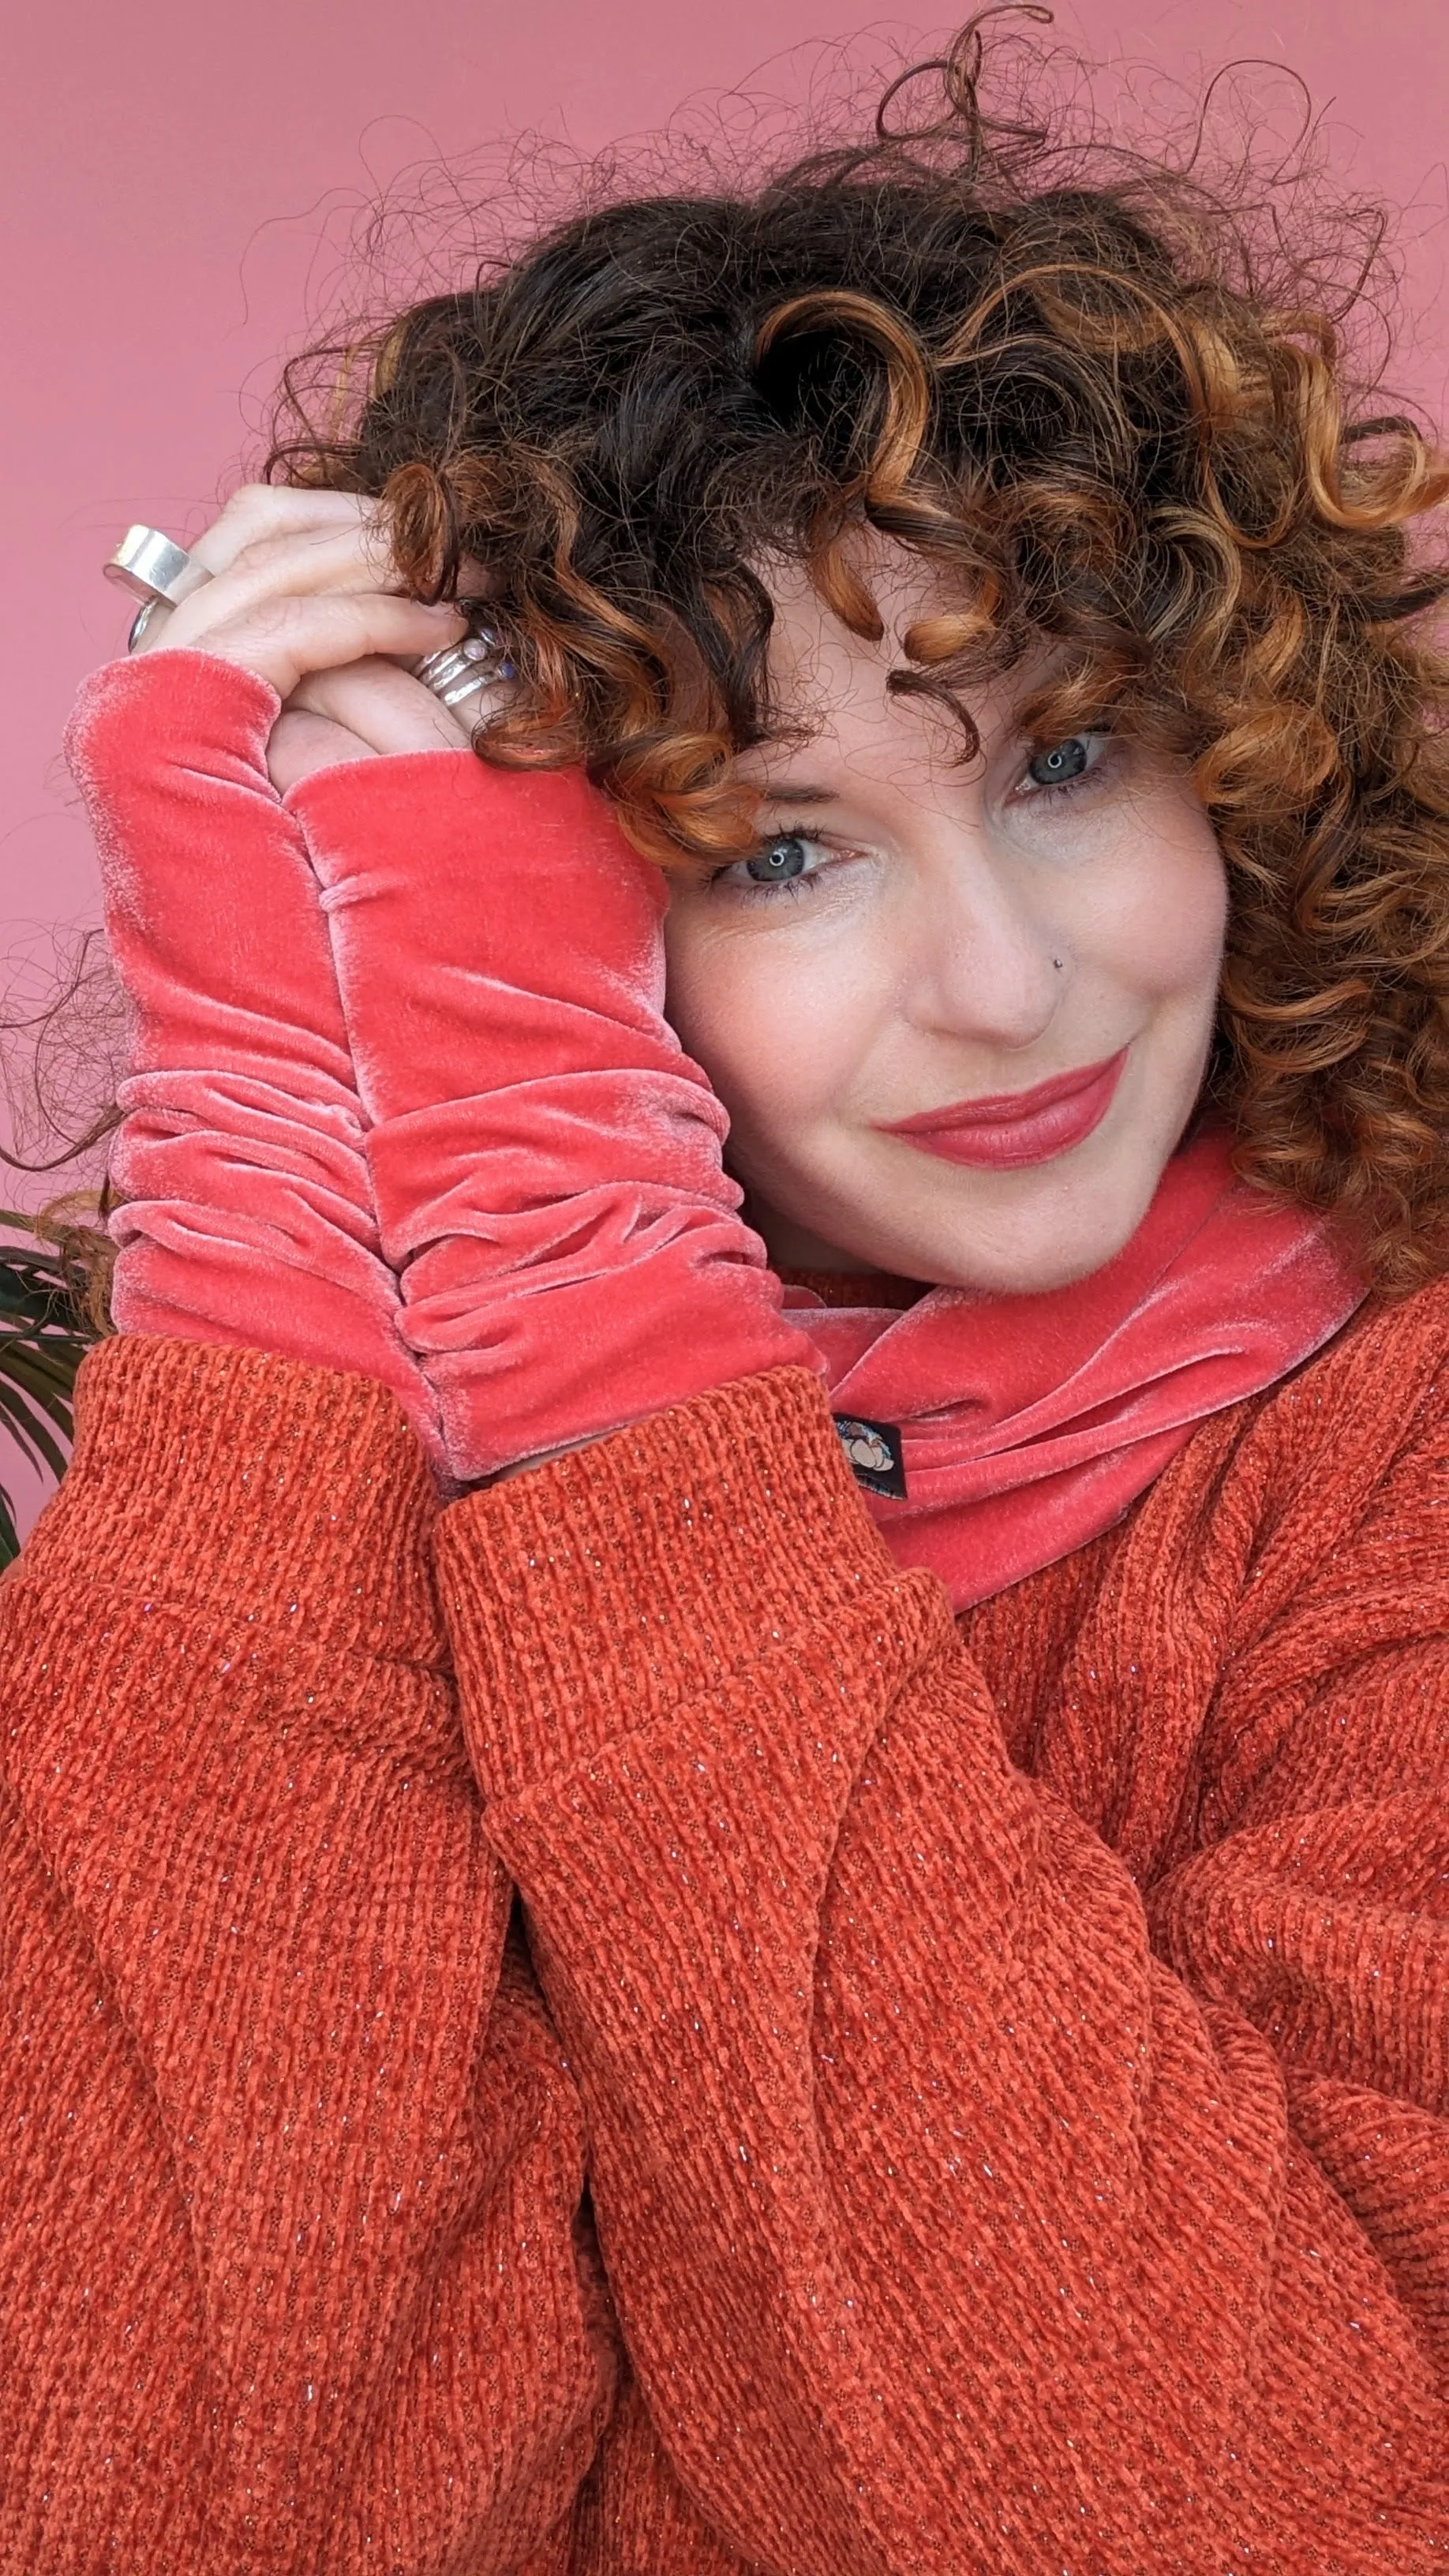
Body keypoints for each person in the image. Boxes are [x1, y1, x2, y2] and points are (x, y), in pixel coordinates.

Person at [4, 19, 1448, 2572]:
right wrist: (278, 1183)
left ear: (1243, 750)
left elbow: (1265, 2512)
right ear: (541, 916)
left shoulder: (1396, 1451)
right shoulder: (312, 1520)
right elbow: (151, 2495)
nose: (1004, 988)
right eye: (774, 850)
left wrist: (602, 1340)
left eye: (1062, 758)